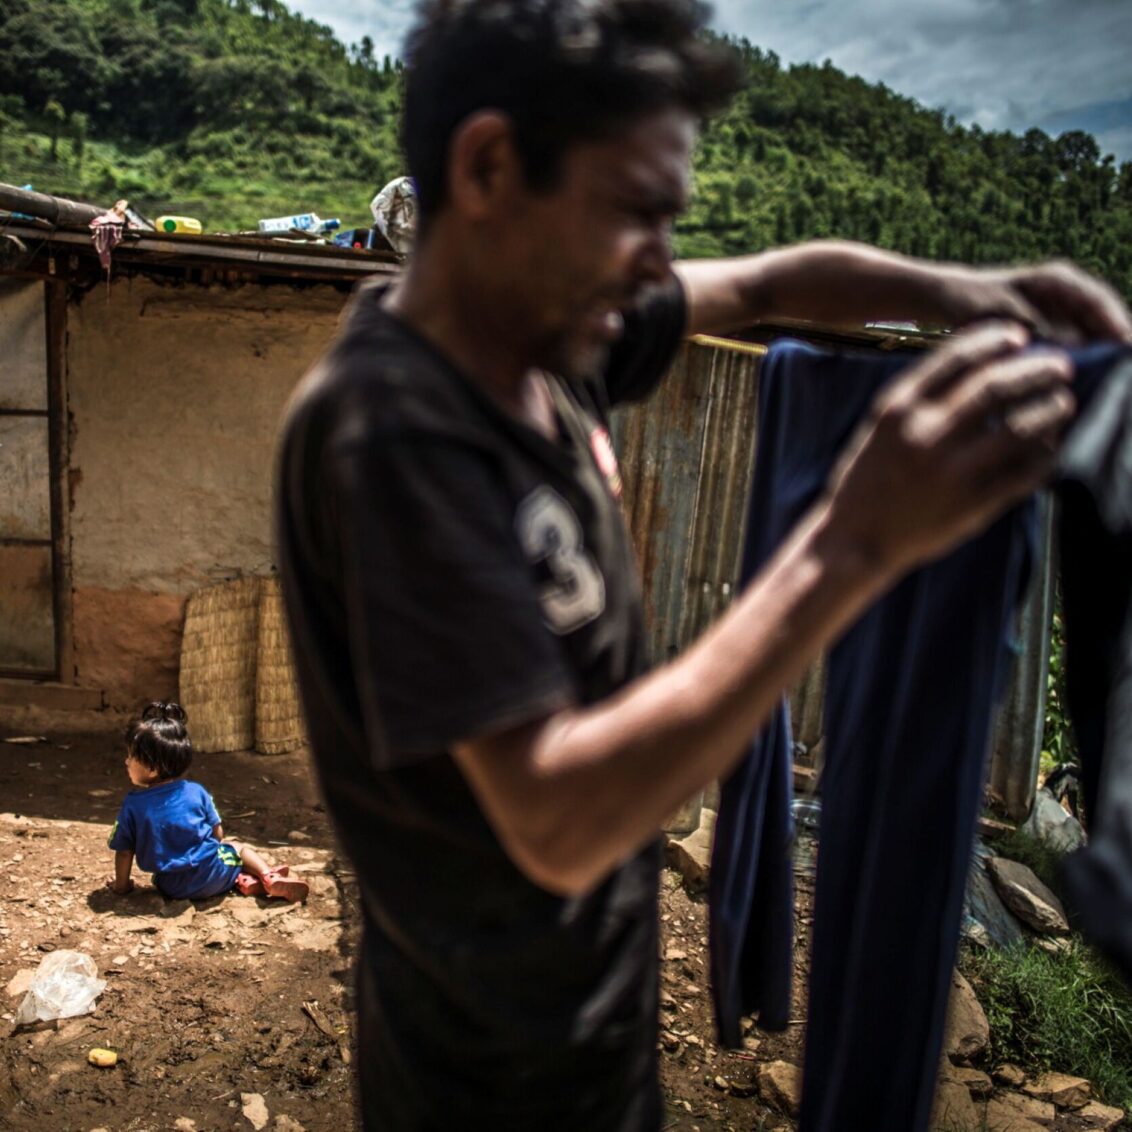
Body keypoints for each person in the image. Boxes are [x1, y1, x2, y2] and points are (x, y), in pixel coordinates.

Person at [275, 0, 1132, 1126]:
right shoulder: (393, 435)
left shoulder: (551, 337)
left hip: (586, 1024)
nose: (661, 262)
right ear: (487, 166)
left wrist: (965, 293)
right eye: (636, 212)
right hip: (483, 1078)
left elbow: (771, 284)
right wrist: (852, 541)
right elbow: (555, 810)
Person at [107, 701, 309, 903]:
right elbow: (218, 835)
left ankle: (244, 880)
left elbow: (124, 852)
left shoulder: (132, 805)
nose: (126, 761)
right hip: (214, 875)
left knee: (210, 860)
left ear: (152, 769)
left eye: (131, 757)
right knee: (236, 848)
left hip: (170, 886)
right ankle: (267, 875)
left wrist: (121, 888)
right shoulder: (196, 792)